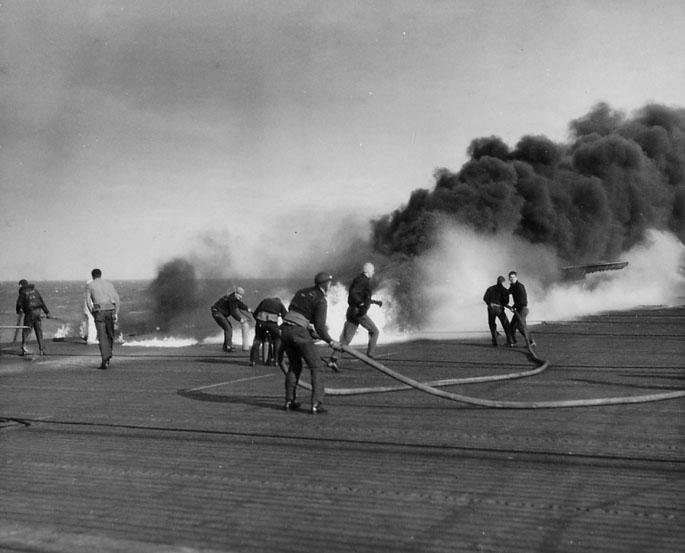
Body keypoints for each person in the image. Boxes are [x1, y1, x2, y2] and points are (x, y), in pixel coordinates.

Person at [281, 272, 341, 414]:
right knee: (317, 367)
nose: (330, 286)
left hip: (285, 329)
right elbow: (320, 326)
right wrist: (331, 342)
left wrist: (307, 328)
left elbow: (294, 311)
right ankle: (316, 404)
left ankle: (289, 401)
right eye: (330, 284)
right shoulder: (321, 300)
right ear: (326, 284)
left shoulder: (301, 292)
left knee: (294, 366)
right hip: (299, 333)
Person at [325, 262, 382, 371]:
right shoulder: (363, 281)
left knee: (346, 339)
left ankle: (333, 360)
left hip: (352, 312)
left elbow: (361, 296)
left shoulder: (360, 280)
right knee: (374, 331)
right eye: (373, 271)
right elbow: (354, 294)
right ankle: (370, 356)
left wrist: (374, 302)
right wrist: (361, 304)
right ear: (368, 271)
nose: (373, 273)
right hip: (358, 313)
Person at [86, 268, 121, 369]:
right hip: (110, 309)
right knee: (110, 334)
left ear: (92, 276)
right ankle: (108, 355)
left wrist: (93, 313)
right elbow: (117, 299)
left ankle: (105, 359)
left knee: (102, 336)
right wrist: (116, 313)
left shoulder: (90, 285)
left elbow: (88, 301)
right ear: (100, 275)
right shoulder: (109, 284)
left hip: (99, 311)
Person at [249, 296, 288, 367]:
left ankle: (253, 360)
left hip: (260, 321)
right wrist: (280, 327)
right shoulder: (280, 304)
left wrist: (259, 322)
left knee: (258, 339)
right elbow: (286, 318)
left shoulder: (265, 300)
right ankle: (277, 361)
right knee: (277, 339)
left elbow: (255, 314)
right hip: (272, 323)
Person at [211, 286, 252, 352]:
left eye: (242, 295)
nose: (241, 296)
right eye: (239, 295)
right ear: (236, 293)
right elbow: (233, 313)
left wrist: (247, 308)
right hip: (217, 312)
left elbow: (239, 304)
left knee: (228, 327)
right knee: (228, 328)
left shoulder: (234, 298)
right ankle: (228, 347)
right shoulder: (232, 299)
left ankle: (226, 345)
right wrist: (240, 320)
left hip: (219, 312)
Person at [16, 280, 51, 356]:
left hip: (30, 313)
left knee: (26, 330)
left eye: (19, 285)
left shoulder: (23, 292)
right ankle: (42, 350)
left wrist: (18, 311)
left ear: (22, 285)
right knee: (39, 331)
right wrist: (47, 312)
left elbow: (19, 303)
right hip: (38, 312)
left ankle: (24, 349)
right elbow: (41, 302)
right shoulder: (35, 291)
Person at [482, 276, 514, 347]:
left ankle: (495, 341)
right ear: (503, 282)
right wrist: (503, 304)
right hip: (499, 308)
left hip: (491, 308)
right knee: (506, 324)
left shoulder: (490, 288)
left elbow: (485, 298)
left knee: (492, 324)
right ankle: (510, 341)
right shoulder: (505, 290)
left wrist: (489, 303)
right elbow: (506, 301)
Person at [507, 271, 536, 347]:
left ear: (516, 277)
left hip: (523, 309)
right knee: (512, 326)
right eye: (511, 277)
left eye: (513, 277)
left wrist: (513, 306)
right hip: (519, 309)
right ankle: (513, 341)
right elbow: (507, 292)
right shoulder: (513, 286)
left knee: (520, 326)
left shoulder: (519, 286)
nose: (512, 279)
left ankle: (531, 342)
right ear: (509, 279)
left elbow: (522, 300)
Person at [82, 278, 98, 345]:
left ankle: (86, 335)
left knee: (88, 322)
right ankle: (91, 339)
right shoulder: (92, 289)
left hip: (85, 307)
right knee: (92, 322)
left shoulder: (86, 291)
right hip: (89, 307)